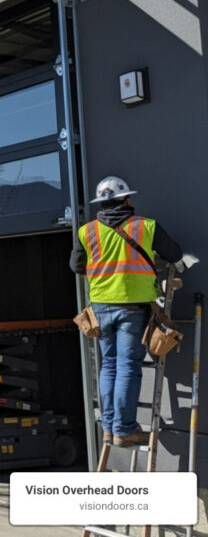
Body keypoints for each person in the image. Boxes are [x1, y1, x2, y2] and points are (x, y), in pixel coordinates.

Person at [69, 175, 182, 448]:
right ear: (127, 200)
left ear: (102, 203)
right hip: (132, 307)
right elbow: (175, 253)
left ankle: (109, 428)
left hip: (101, 307)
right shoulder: (145, 226)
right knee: (128, 367)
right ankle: (123, 429)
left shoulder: (87, 231)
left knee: (109, 366)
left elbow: (76, 265)